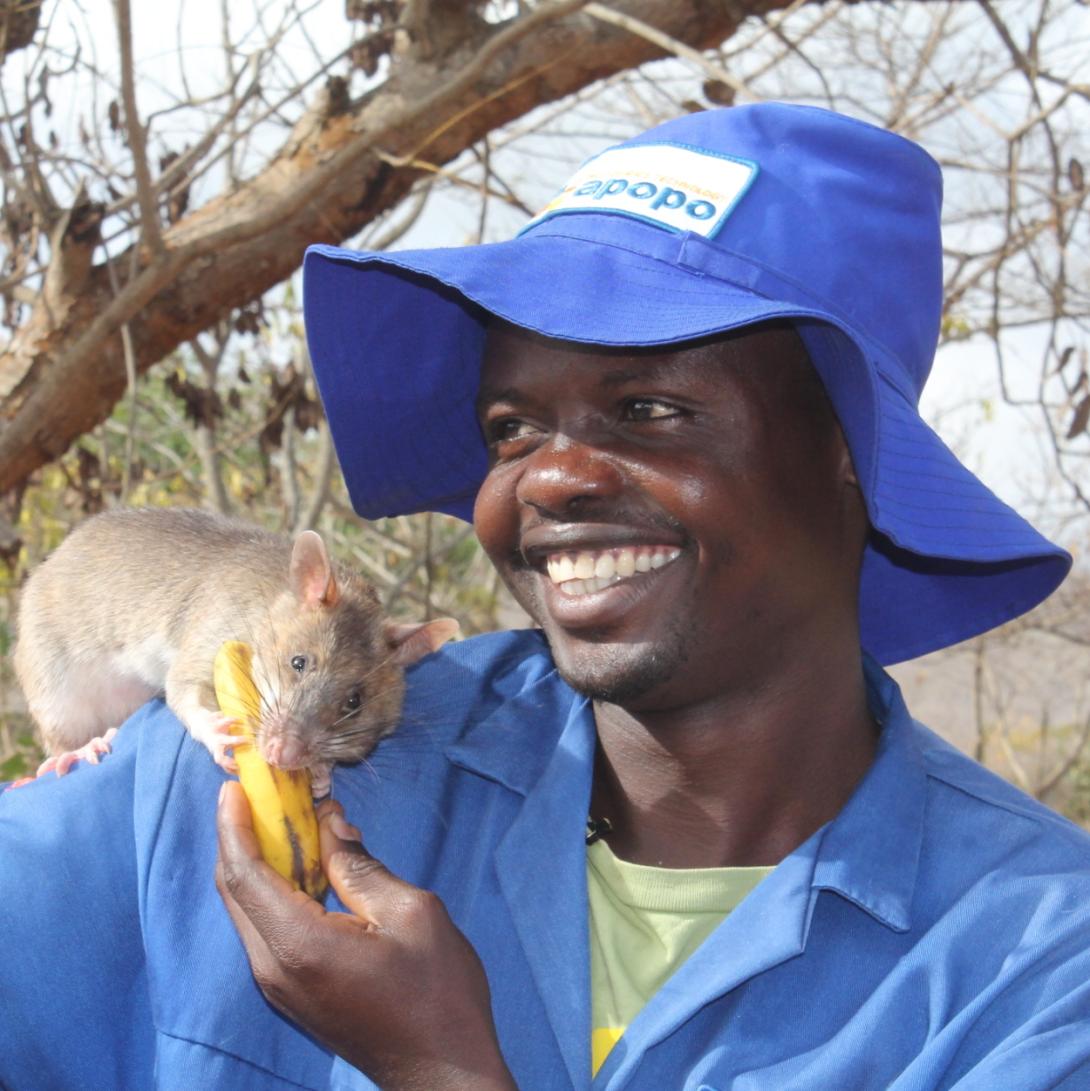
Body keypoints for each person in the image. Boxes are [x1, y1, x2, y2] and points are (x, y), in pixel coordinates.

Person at [2, 103, 1089, 1090]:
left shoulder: (1034, 968)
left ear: (849, 455)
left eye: (651, 407)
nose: (550, 477)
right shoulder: (256, 762)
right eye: (511, 427)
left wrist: (440, 1070)